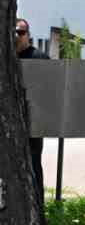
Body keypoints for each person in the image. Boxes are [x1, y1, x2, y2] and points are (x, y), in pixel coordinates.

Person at [16, 18, 44, 207]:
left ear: (28, 34)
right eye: (14, 32)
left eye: (21, 32)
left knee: (33, 166)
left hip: (33, 125)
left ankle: (38, 206)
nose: (17, 36)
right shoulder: (5, 56)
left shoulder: (39, 58)